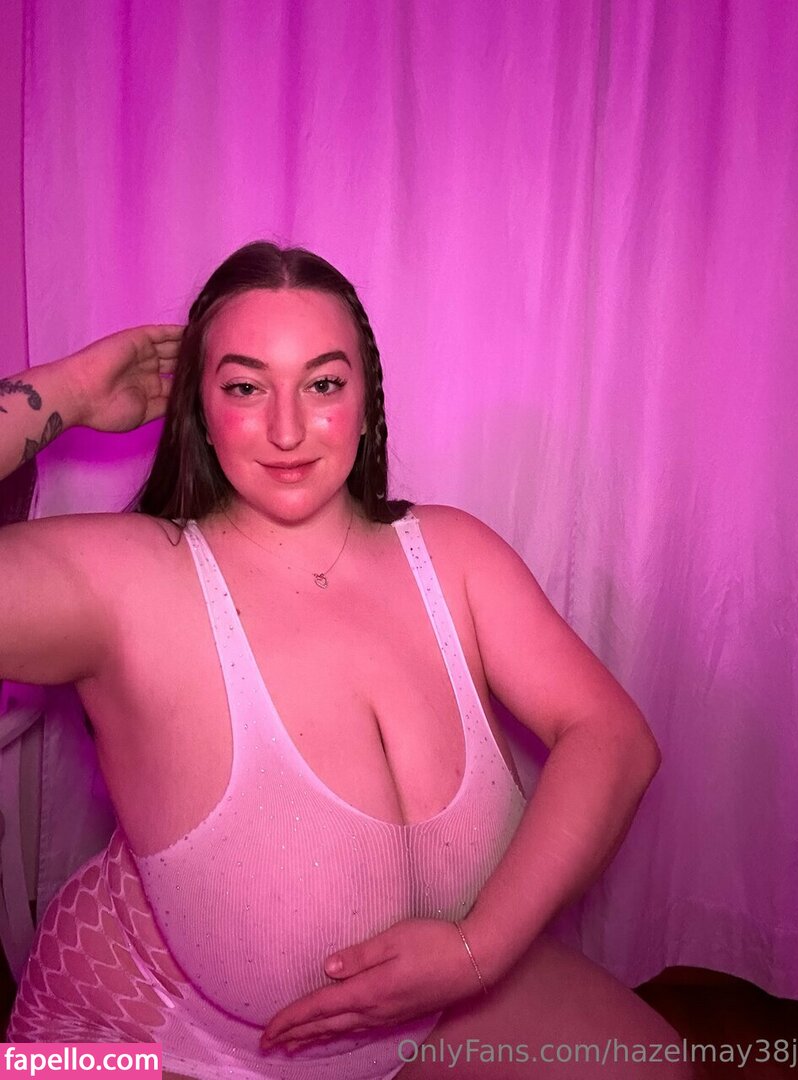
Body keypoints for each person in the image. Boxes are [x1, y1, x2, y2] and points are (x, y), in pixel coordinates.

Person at [0, 242, 695, 1079]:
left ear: (366, 404)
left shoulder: (453, 554)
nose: (287, 429)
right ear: (200, 414)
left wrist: (477, 950)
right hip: (150, 1032)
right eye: (245, 388)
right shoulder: (130, 581)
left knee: (658, 1067)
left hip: (428, 1008)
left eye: (323, 384)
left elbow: (614, 738)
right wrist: (68, 392)